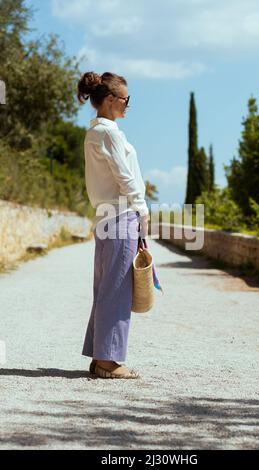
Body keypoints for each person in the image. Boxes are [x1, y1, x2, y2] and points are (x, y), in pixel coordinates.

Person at [77, 71, 149, 379]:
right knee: (117, 289)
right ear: (110, 100)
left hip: (106, 216)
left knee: (106, 287)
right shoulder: (110, 133)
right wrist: (143, 212)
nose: (128, 105)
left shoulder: (96, 132)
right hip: (121, 216)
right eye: (125, 99)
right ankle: (108, 361)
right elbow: (125, 176)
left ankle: (100, 357)